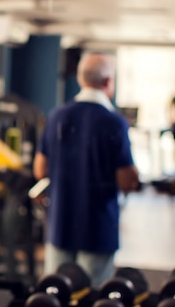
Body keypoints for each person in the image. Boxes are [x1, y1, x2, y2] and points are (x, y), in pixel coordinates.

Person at [32, 52, 140, 288]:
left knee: (56, 293)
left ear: (81, 79)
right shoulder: (114, 122)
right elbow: (126, 181)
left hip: (60, 223)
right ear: (108, 82)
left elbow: (40, 169)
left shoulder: (57, 116)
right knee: (90, 299)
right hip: (98, 227)